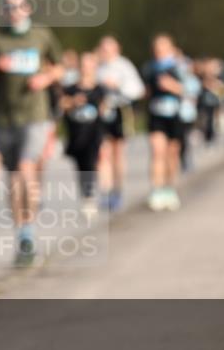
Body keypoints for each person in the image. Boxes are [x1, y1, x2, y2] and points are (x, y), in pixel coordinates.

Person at [0, 0, 63, 266]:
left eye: (19, 6)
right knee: (13, 176)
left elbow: (60, 67)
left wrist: (45, 78)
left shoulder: (42, 35)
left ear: (28, 8)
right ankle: (23, 234)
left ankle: (29, 225)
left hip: (35, 115)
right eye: (8, 7)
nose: (14, 11)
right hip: (4, 117)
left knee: (27, 168)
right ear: (3, 11)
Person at [95, 35, 144, 212]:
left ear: (117, 50)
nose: (105, 52)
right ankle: (105, 191)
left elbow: (138, 90)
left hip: (119, 111)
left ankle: (117, 190)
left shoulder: (124, 66)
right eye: (103, 48)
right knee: (102, 153)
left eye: (109, 49)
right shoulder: (97, 67)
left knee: (117, 153)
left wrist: (118, 86)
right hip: (102, 113)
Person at [141, 34, 186, 212]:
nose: (159, 51)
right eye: (157, 48)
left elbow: (191, 89)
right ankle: (156, 190)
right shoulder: (149, 68)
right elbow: (143, 91)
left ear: (171, 49)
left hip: (176, 114)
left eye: (163, 48)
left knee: (172, 153)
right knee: (157, 151)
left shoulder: (179, 67)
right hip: (156, 114)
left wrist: (172, 86)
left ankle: (169, 189)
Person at [61, 51, 106, 215]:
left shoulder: (100, 88)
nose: (86, 69)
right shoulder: (71, 88)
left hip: (94, 133)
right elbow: (62, 105)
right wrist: (73, 102)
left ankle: (92, 194)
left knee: (92, 162)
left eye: (90, 65)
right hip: (76, 133)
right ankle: (86, 195)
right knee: (81, 166)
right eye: (84, 65)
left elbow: (105, 109)